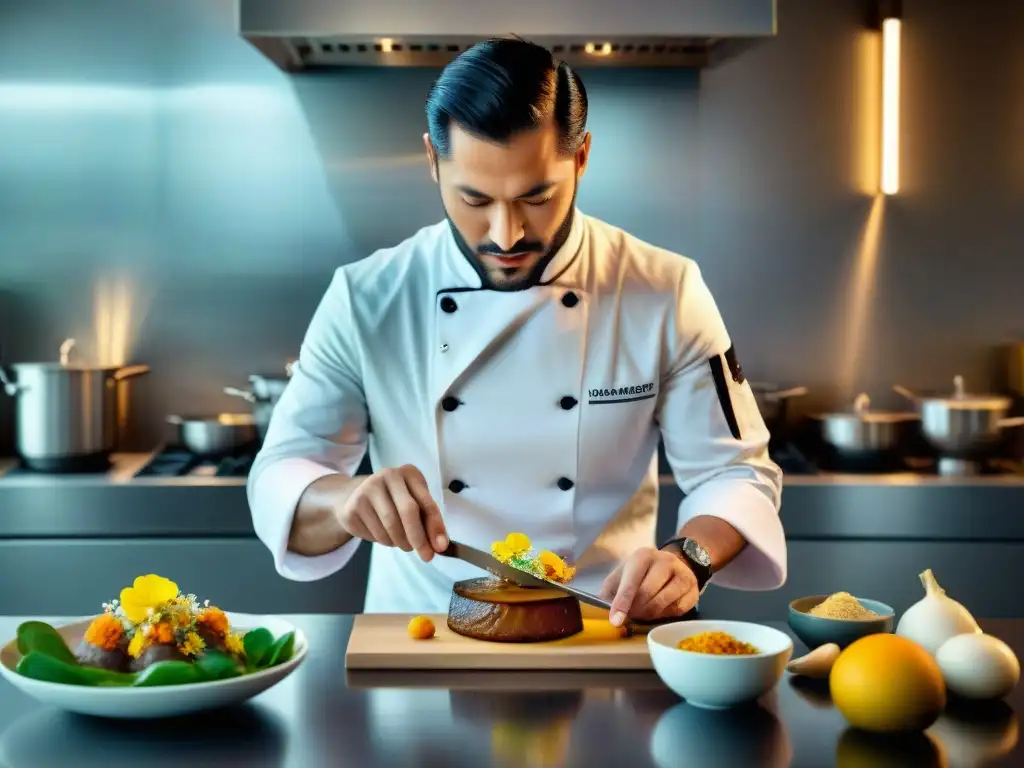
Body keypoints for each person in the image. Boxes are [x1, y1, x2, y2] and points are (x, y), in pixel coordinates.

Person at [248, 37, 786, 626]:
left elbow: (735, 470)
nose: (506, 235)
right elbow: (282, 474)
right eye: (474, 199)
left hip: (602, 626)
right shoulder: (367, 297)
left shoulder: (664, 290)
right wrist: (346, 498)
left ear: (581, 158)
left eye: (537, 197)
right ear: (433, 159)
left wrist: (690, 558)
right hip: (420, 637)